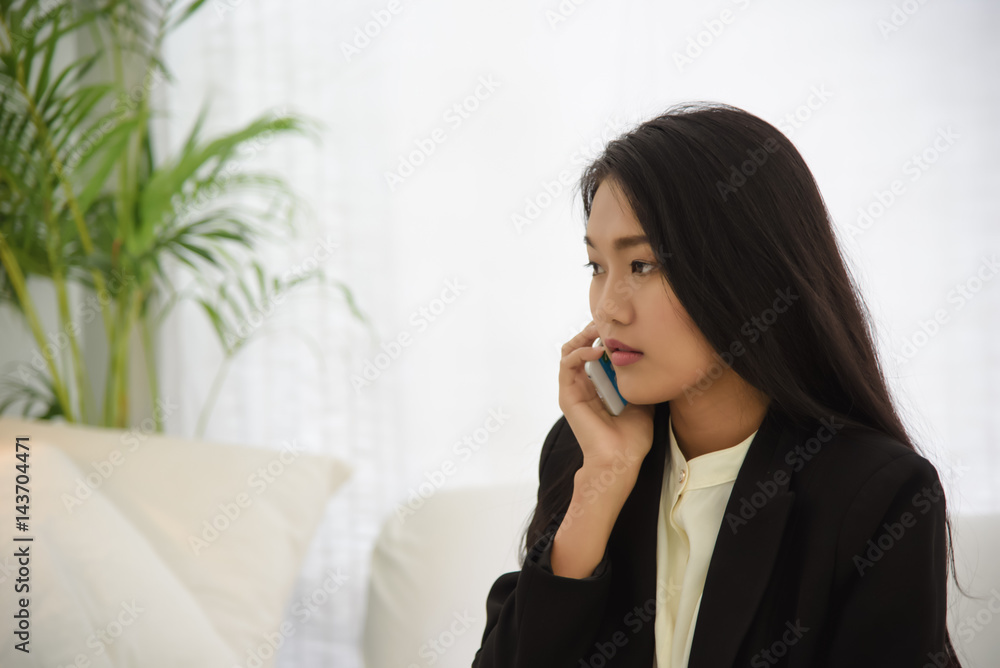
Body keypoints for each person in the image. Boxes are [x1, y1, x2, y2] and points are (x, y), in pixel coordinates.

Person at [471, 102, 964, 668]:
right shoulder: (583, 454)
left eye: (643, 265)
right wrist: (599, 489)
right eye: (596, 267)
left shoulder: (875, 494)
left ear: (749, 273)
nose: (607, 309)